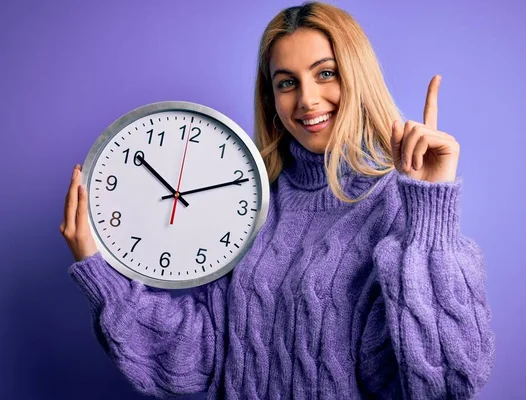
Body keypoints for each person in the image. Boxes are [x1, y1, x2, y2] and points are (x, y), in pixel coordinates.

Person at [60, 2, 495, 399]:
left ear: (357, 77)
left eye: (326, 73)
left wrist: (430, 211)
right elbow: (198, 359)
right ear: (271, 98)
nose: (307, 99)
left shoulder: (400, 203)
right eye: (287, 82)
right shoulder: (250, 205)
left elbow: (447, 382)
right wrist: (101, 272)